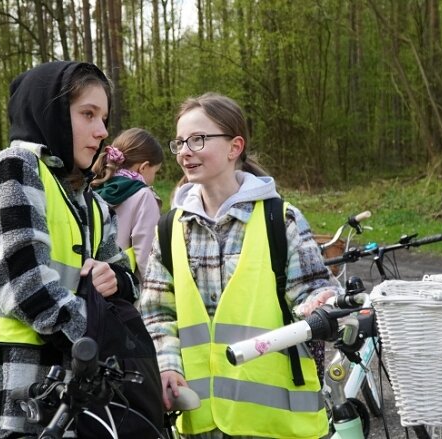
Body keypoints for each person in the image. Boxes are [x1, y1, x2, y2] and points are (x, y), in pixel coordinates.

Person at [0, 61, 160, 438]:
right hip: (21, 394)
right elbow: (25, 286)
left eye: (104, 117)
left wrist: (115, 280)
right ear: (50, 113)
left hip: (78, 393)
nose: (102, 131)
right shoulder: (17, 167)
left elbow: (130, 284)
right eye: (88, 114)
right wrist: (103, 343)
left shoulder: (90, 200)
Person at [139, 93, 343, 438]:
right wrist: (167, 366)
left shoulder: (282, 219)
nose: (185, 151)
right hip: (202, 422)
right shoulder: (169, 228)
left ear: (235, 147)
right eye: (180, 142)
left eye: (198, 139)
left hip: (280, 424)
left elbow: (313, 290)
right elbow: (157, 312)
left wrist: (322, 302)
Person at [91, 128, 164, 281]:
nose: (154, 178)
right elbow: (147, 258)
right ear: (143, 167)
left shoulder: (94, 186)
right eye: (155, 172)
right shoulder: (143, 196)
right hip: (124, 288)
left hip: (92, 284)